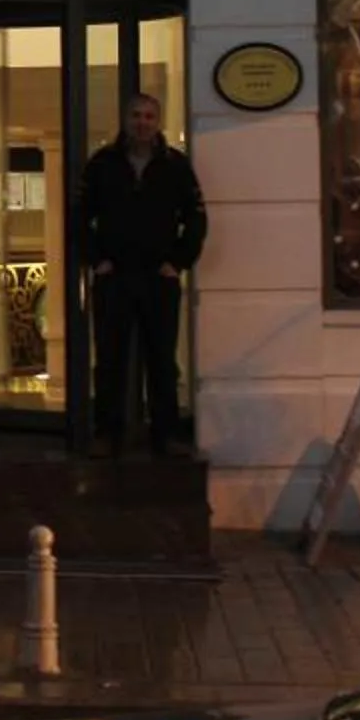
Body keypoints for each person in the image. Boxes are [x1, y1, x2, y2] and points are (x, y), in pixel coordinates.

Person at [81, 93, 209, 456]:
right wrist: (97, 260)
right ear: (125, 119)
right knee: (109, 360)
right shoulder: (102, 164)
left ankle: (165, 435)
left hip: (158, 277)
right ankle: (107, 433)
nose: (143, 122)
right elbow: (78, 218)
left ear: (159, 121)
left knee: (162, 361)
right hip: (114, 276)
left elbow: (197, 219)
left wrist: (179, 262)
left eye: (150, 116)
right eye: (136, 115)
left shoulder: (176, 166)